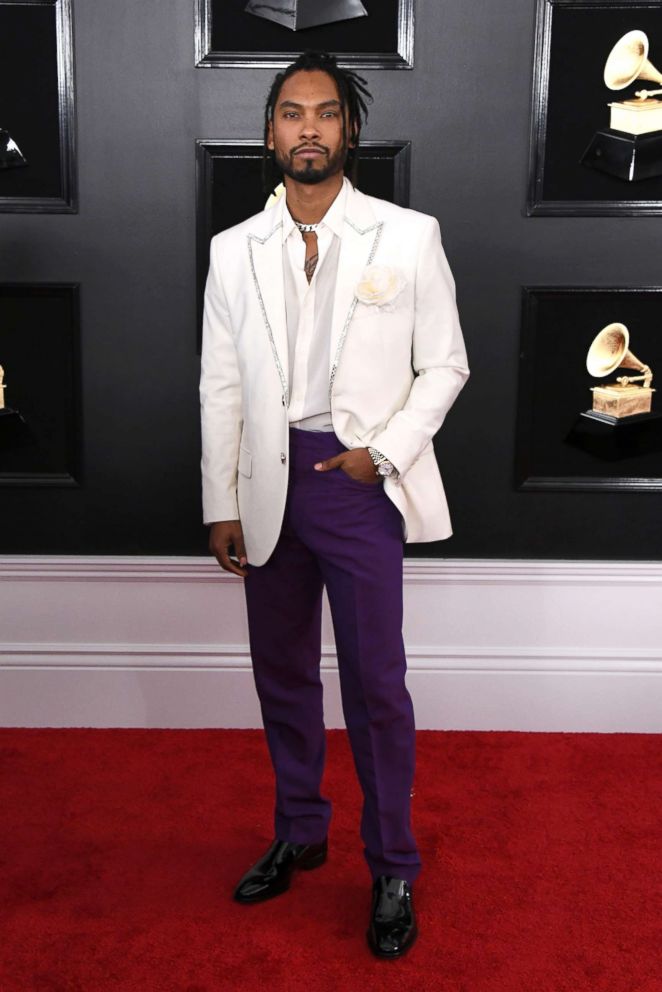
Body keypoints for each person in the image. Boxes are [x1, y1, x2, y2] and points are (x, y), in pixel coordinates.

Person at [200, 50, 469, 959]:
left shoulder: (408, 234)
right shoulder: (232, 251)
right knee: (281, 676)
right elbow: (220, 384)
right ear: (270, 130)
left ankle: (392, 863)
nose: (306, 128)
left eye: (322, 112)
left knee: (375, 687)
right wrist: (221, 499)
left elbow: (447, 365)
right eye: (289, 113)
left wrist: (381, 455)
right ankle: (301, 830)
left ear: (347, 129)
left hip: (356, 484)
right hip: (266, 483)